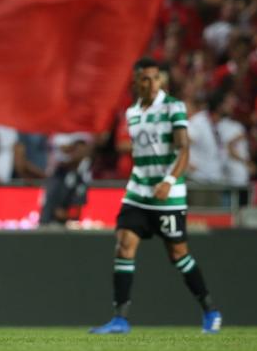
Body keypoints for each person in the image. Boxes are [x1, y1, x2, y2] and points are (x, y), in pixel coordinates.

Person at [91, 58, 222, 335]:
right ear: (136, 82)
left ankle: (210, 310)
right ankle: (120, 319)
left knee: (178, 254)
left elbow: (183, 149)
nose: (151, 84)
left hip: (168, 195)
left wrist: (169, 180)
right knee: (124, 245)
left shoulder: (173, 107)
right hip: (138, 191)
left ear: (161, 81)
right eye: (145, 79)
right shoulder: (132, 113)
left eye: (155, 79)